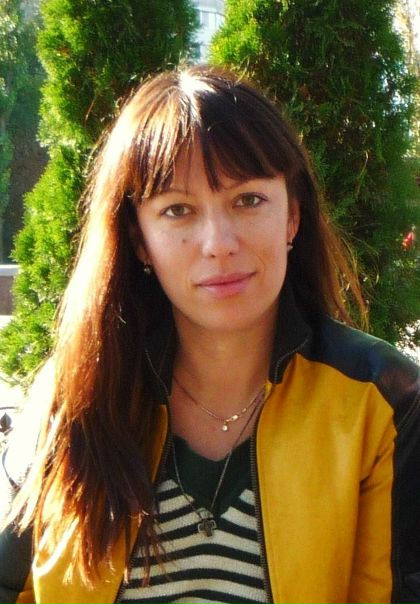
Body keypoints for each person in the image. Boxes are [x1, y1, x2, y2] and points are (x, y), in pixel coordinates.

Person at [0, 65, 419, 604]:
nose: (218, 243)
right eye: (178, 210)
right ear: (140, 240)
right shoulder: (72, 399)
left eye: (248, 200)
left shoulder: (384, 403)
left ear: (292, 217)